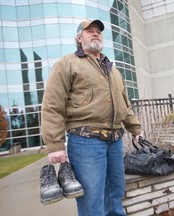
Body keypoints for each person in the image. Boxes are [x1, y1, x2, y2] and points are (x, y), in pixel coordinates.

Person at [41, 19, 142, 216]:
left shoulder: (112, 70)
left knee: (116, 195)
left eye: (98, 31)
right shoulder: (67, 64)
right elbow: (52, 106)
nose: (95, 33)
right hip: (85, 141)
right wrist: (54, 145)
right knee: (92, 201)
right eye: (89, 31)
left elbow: (124, 105)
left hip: (115, 141)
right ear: (79, 38)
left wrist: (135, 129)